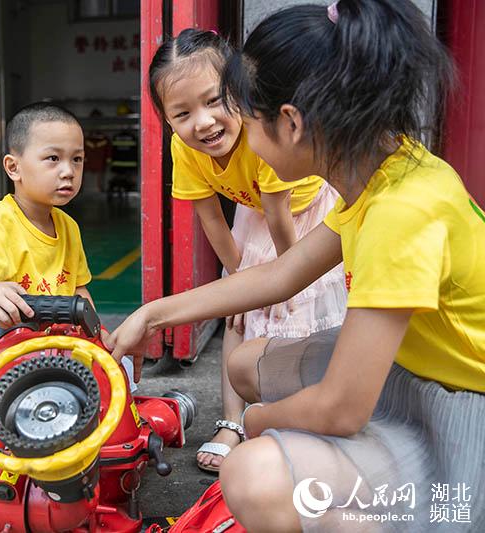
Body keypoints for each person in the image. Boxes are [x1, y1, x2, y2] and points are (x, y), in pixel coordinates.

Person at [108, 1, 484, 530]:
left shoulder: (403, 214)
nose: (237, 131)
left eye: (245, 114)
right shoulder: (383, 167)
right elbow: (281, 275)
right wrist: (153, 315)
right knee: (245, 364)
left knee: (253, 475)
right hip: (410, 366)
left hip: (458, 408)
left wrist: (259, 422)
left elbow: (340, 410)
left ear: (290, 124)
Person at [148, 28, 346, 472]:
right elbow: (211, 218)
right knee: (238, 316)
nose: (202, 122)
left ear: (239, 91)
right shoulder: (185, 149)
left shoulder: (262, 135)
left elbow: (282, 220)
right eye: (182, 113)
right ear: (167, 120)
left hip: (303, 215)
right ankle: (232, 423)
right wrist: (239, 281)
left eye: (215, 100)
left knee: (303, 313)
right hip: (254, 213)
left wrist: (286, 286)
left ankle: (305, 417)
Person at [0, 102, 134, 385]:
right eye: (53, 158)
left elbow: (78, 289)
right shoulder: (0, 223)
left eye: (77, 159)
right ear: (14, 167)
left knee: (117, 380)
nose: (68, 171)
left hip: (53, 352)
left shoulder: (68, 226)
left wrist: (99, 336)